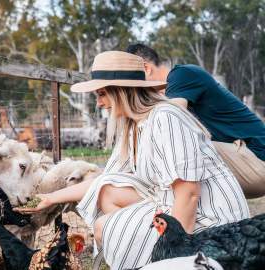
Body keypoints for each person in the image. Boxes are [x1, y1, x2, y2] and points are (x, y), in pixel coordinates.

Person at [16, 51, 249, 270]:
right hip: (172, 203)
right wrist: (49, 198)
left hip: (211, 219)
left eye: (102, 94)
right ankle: (138, 256)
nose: (98, 103)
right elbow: (103, 180)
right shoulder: (134, 126)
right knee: (106, 190)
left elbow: (189, 193)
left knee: (103, 227)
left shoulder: (166, 118)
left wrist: (175, 254)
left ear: (121, 91)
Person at [126, 43, 265, 199]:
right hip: (242, 162)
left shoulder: (183, 75)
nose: (133, 89)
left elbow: (169, 121)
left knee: (177, 145)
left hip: (256, 160)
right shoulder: (168, 95)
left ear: (146, 69)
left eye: (131, 81)